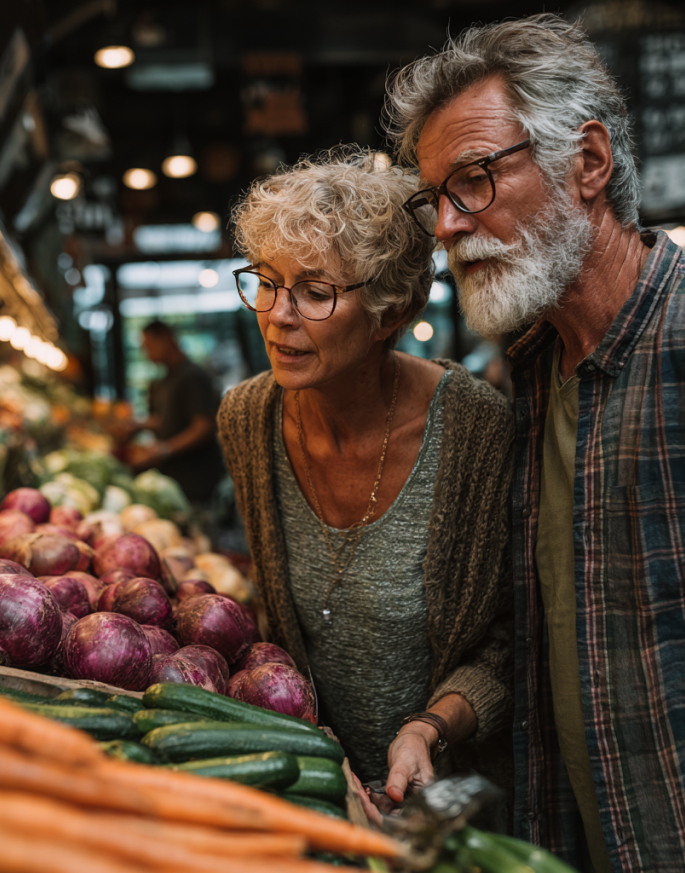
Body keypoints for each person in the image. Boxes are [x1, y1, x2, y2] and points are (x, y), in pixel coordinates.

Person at [385, 13, 685, 872]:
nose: (445, 223)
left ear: (587, 163)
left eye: (472, 180)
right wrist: (434, 720)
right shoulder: (532, 374)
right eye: (433, 194)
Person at [217, 147, 514, 824]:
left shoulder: (474, 429)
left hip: (447, 810)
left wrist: (428, 727)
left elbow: (508, 640)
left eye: (314, 292)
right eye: (265, 281)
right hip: (311, 801)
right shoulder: (246, 418)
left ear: (389, 312)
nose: (277, 314)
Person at [124, 321, 223, 504]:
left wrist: (164, 449)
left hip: (195, 481)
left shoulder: (192, 376)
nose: (147, 354)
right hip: (175, 480)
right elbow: (167, 421)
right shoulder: (166, 379)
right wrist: (137, 425)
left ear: (167, 339)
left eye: (149, 346)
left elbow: (203, 427)